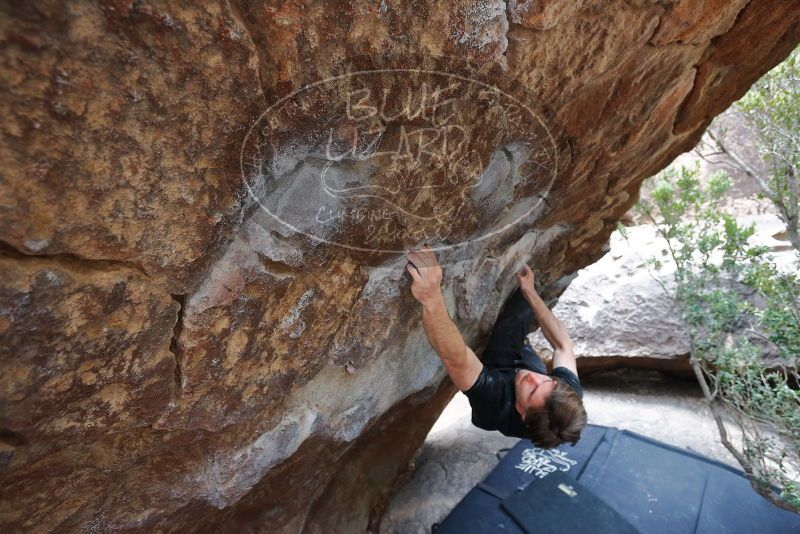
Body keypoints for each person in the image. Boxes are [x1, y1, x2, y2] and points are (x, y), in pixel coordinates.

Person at [406, 246, 587, 449]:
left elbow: (456, 357)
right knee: (522, 304)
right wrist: (530, 293)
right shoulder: (566, 395)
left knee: (503, 336)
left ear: (522, 411)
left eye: (532, 390)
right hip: (523, 360)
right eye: (547, 380)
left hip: (500, 375)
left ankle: (498, 354)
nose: (532, 377)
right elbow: (563, 345)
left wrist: (431, 296)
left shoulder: (494, 401)